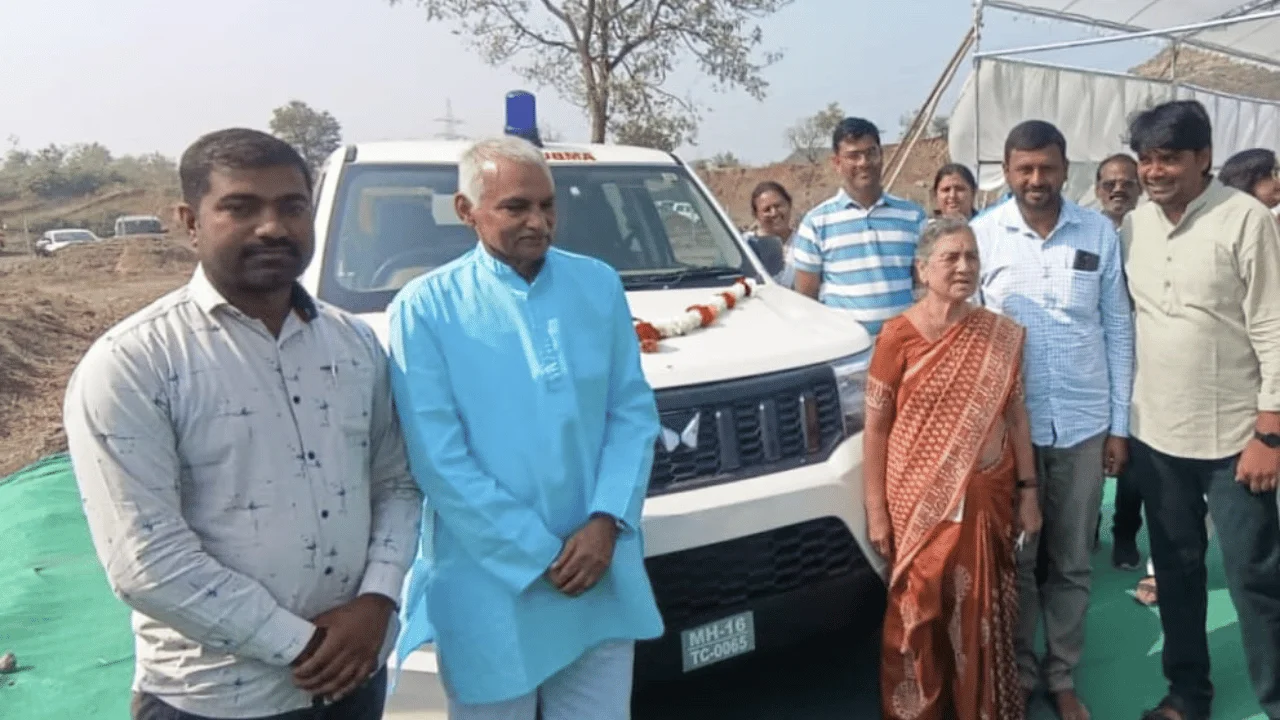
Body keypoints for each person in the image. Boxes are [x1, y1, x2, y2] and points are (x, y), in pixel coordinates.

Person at [62, 128, 423, 720]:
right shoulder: (134, 363)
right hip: (215, 696)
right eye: (241, 207)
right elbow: (144, 560)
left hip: (355, 679)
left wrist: (378, 601)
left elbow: (396, 483)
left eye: (291, 207)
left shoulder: (354, 344)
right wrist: (305, 645)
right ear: (190, 221)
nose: (273, 227)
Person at [387, 136, 664, 720]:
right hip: (492, 581)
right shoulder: (425, 308)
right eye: (516, 207)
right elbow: (438, 459)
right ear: (466, 210)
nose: (538, 222)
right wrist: (540, 553)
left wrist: (606, 521)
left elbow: (631, 411)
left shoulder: (597, 284)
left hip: (597, 569)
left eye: (547, 205)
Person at [1121, 99, 1280, 720]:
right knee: (1177, 574)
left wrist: (1270, 432)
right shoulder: (1135, 225)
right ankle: (1188, 696)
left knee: (1255, 577)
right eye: (1145, 159)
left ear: (1204, 157)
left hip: (1236, 438)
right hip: (1158, 436)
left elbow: (1272, 325)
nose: (1153, 171)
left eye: (1168, 158)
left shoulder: (1245, 219)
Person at [971, 120, 1134, 720]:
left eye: (1047, 168)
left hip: (1084, 426)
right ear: (1007, 172)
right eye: (1024, 169)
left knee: (1070, 561)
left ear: (1067, 170)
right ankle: (1017, 673)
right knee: (1016, 561)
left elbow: (1117, 328)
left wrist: (1118, 426)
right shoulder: (983, 235)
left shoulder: (1098, 233)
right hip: (1008, 434)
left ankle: (1061, 674)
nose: (1036, 179)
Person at [866, 216, 1040, 720]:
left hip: (987, 496)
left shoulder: (998, 335)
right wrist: (876, 511)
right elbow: (876, 428)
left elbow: (1016, 415)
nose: (964, 267)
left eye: (972, 257)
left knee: (980, 612)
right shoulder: (897, 336)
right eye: (951, 257)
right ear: (923, 269)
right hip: (917, 502)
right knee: (917, 614)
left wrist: (1029, 490)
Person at [792, 117, 928, 337]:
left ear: (881, 155)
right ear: (837, 163)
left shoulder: (913, 217)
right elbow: (807, 299)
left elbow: (924, 287)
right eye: (853, 156)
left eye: (870, 153)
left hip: (903, 346)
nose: (864, 162)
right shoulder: (816, 223)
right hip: (845, 348)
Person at [1092, 153, 1145, 572]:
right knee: (1087, 453)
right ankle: (1086, 524)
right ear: (1097, 190)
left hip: (1143, 362)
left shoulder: (1150, 234)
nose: (1118, 190)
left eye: (1127, 183)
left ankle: (1125, 532)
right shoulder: (1086, 234)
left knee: (1133, 453)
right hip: (1093, 362)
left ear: (1139, 188)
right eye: (1110, 183)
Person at [742, 180, 797, 287]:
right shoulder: (745, 246)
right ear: (756, 214)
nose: (774, 213)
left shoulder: (805, 243)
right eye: (767, 209)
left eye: (778, 206)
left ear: (789, 205)